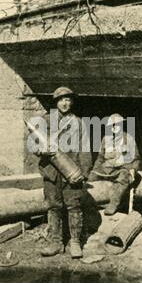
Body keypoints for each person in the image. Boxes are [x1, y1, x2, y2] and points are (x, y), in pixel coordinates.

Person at [36, 87, 92, 258]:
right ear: (56, 102)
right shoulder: (45, 121)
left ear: (72, 102)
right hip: (51, 171)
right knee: (53, 206)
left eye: (68, 99)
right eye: (61, 100)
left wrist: (83, 172)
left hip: (71, 171)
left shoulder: (79, 123)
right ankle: (56, 242)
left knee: (74, 206)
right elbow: (34, 145)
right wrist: (42, 150)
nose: (64, 103)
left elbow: (85, 149)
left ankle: (75, 242)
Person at [88, 113, 141, 215]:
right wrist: (94, 171)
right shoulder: (105, 139)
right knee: (91, 178)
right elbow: (100, 158)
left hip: (122, 169)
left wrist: (133, 170)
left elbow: (137, 158)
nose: (114, 127)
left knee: (123, 177)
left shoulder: (128, 139)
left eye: (117, 124)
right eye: (112, 125)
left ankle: (113, 204)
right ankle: (90, 205)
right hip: (107, 169)